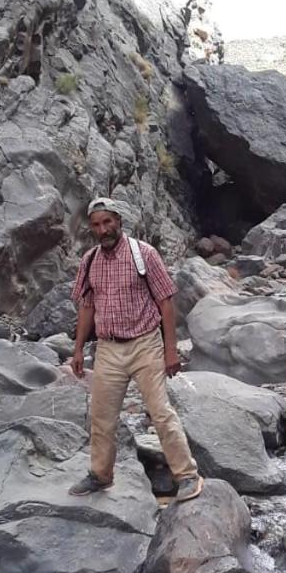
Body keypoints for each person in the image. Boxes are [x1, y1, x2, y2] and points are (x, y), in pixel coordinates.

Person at [67, 197, 204, 502]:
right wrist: (77, 349)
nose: (103, 229)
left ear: (119, 221)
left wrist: (171, 351)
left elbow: (166, 302)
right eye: (97, 225)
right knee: (101, 416)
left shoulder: (144, 254)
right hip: (108, 348)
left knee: (160, 412)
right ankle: (100, 475)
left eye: (108, 222)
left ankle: (187, 476)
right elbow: (87, 307)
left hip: (145, 344)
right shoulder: (89, 261)